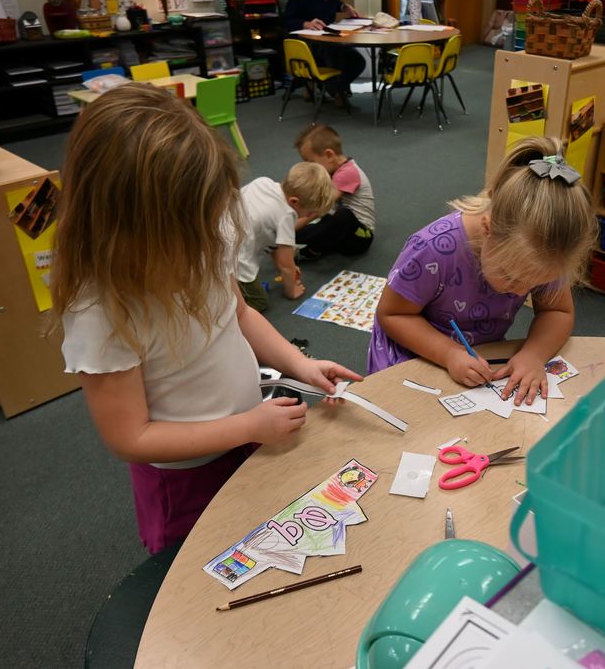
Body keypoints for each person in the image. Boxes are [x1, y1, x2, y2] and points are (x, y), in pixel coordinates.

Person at [51, 84, 360, 554]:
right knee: (198, 564)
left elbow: (238, 312)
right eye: (191, 232)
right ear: (131, 229)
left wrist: (299, 365)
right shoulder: (101, 311)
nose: (207, 242)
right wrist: (249, 426)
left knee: (258, 541)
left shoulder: (204, 236)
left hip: (248, 433)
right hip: (186, 476)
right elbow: (130, 437)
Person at [368, 137, 598, 407]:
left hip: (480, 358)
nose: (522, 291)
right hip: (412, 354)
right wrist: (449, 354)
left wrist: (534, 355)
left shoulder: (545, 250)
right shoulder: (432, 249)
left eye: (537, 283)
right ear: (488, 230)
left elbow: (556, 311)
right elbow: (393, 314)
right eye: (512, 277)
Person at [237, 162, 336, 312]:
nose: (308, 217)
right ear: (294, 202)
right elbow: (286, 266)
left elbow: (274, 244)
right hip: (233, 260)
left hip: (212, 234)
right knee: (259, 302)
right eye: (309, 213)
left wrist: (285, 265)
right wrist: (292, 290)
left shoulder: (263, 182)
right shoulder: (286, 216)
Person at [294, 123, 375, 261]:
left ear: (329, 155)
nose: (309, 167)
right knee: (303, 231)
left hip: (360, 236)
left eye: (311, 162)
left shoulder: (348, 172)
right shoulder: (331, 170)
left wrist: (294, 227)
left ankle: (309, 252)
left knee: (342, 215)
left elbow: (320, 207)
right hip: (339, 229)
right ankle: (308, 240)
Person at [283, 0, 367, 101]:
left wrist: (343, 7)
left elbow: (330, 4)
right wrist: (305, 23)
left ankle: (336, 90)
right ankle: (338, 92)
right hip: (309, 38)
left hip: (329, 36)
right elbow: (287, 20)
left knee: (357, 61)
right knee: (334, 57)